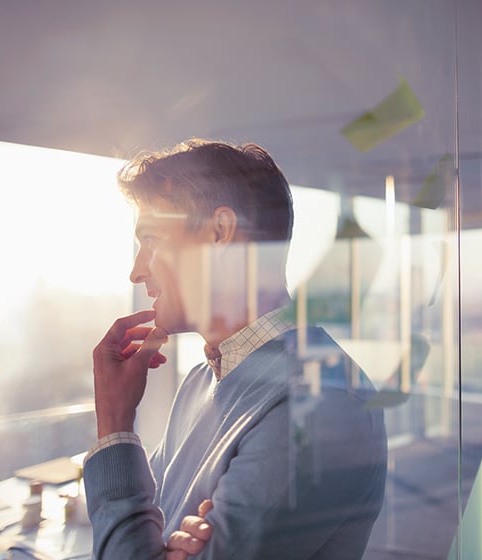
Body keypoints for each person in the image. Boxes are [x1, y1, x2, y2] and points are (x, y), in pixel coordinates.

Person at [83, 139, 387, 559]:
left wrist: (115, 425)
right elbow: (145, 535)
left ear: (219, 232)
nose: (137, 271)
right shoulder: (200, 381)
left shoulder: (320, 403)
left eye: (151, 239)